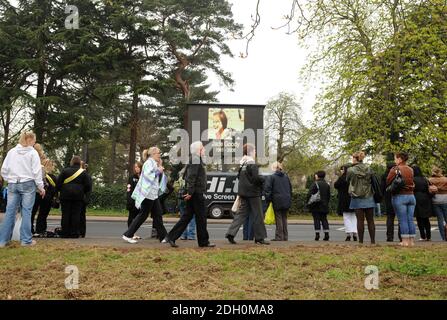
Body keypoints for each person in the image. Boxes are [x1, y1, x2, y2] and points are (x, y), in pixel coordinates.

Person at [164, 141, 215, 248]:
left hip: (194, 193)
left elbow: (190, 176)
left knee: (186, 217)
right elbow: (192, 177)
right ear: (198, 150)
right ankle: (203, 242)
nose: (204, 150)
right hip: (196, 193)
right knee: (201, 218)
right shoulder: (196, 159)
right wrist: (190, 193)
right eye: (203, 148)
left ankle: (171, 237)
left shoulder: (194, 159)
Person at [0, 131, 45, 247]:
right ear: (32, 140)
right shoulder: (32, 153)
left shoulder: (12, 152)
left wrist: (9, 179)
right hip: (28, 183)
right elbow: (36, 172)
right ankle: (26, 240)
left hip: (13, 183)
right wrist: (41, 187)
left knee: (9, 212)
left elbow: (4, 170)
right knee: (26, 212)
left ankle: (3, 241)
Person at [225, 143, 269, 245]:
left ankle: (230, 234)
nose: (255, 152)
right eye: (254, 151)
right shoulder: (252, 164)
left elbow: (239, 177)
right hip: (253, 193)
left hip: (243, 193)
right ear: (250, 152)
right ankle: (260, 238)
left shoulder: (243, 164)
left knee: (240, 214)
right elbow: (256, 178)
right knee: (258, 215)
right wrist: (263, 178)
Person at [122, 147, 167, 244]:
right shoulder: (148, 163)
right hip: (148, 194)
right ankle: (128, 234)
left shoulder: (153, 163)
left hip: (152, 194)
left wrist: (160, 167)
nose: (160, 155)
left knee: (157, 215)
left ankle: (164, 237)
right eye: (159, 153)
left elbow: (156, 178)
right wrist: (159, 170)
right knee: (143, 215)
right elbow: (148, 176)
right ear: (153, 154)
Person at [56, 156, 91, 238]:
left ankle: (65, 232)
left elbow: (58, 183)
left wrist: (62, 190)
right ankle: (74, 233)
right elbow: (88, 186)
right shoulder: (83, 173)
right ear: (80, 163)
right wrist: (82, 190)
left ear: (71, 162)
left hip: (65, 196)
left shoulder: (65, 171)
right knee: (76, 214)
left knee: (65, 214)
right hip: (78, 196)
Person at [386, 152, 416, 247]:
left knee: (402, 219)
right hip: (411, 196)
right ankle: (411, 241)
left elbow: (388, 180)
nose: (395, 160)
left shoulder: (395, 169)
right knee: (410, 219)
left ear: (400, 159)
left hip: (400, 196)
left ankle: (405, 241)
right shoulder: (411, 169)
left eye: (395, 158)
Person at [347, 151, 376, 244]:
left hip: (356, 196)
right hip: (368, 195)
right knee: (370, 220)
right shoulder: (368, 168)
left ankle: (361, 241)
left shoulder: (350, 170)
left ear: (355, 159)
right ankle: (372, 241)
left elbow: (347, 180)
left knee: (360, 220)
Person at [264, 162, 292, 241]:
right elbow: (290, 188)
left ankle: (279, 236)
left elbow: (267, 190)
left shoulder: (272, 177)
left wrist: (268, 200)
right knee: (284, 218)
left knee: (278, 218)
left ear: (274, 168)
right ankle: (285, 236)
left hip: (277, 200)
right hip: (286, 199)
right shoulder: (286, 177)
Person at [34, 159, 58, 236]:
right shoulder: (53, 177)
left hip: (38, 195)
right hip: (47, 197)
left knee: (33, 213)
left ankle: (32, 230)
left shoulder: (40, 174)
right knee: (43, 215)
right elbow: (55, 188)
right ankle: (40, 230)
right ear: (50, 166)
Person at [334, 165, 357, 241]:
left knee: (346, 217)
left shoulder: (342, 178)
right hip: (353, 199)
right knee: (354, 217)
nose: (341, 170)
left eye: (342, 169)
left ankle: (348, 234)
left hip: (344, 200)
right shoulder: (354, 178)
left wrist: (340, 176)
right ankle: (355, 233)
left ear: (344, 170)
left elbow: (335, 185)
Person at [307, 171, 331, 241]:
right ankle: (326, 234)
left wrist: (309, 203)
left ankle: (317, 235)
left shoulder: (315, 183)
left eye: (316, 175)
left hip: (316, 205)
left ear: (317, 176)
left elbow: (309, 194)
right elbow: (328, 196)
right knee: (324, 219)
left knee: (316, 219)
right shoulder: (327, 185)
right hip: (324, 205)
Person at [382, 163, 401, 242]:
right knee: (400, 218)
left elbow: (382, 187)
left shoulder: (384, 176)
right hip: (398, 196)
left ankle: (390, 237)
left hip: (388, 197)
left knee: (390, 217)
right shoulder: (397, 175)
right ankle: (401, 236)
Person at [175, 167, 196, 240]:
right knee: (192, 218)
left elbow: (176, 189)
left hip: (181, 201)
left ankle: (183, 235)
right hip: (189, 200)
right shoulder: (190, 179)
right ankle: (191, 235)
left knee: (183, 218)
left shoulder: (179, 180)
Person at [412, 165, 432, 241]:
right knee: (426, 219)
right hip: (426, 198)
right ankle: (429, 236)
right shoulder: (425, 179)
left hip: (416, 198)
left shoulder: (413, 179)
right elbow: (429, 189)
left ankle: (423, 236)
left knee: (419, 219)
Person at [429, 166, 447, 241]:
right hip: (445, 199)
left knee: (440, 219)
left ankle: (443, 237)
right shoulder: (445, 179)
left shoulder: (430, 180)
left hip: (435, 200)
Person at [126, 161, 143, 239]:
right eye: (135, 167)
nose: (136, 169)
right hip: (132, 200)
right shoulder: (132, 178)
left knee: (137, 218)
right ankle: (130, 234)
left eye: (138, 167)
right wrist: (130, 200)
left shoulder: (143, 177)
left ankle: (134, 233)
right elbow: (129, 189)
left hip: (140, 201)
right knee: (131, 217)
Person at [79, 162, 92, 238]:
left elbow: (88, 188)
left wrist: (86, 198)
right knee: (81, 215)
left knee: (81, 215)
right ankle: (81, 232)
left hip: (82, 198)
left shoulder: (85, 175)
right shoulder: (86, 175)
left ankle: (81, 232)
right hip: (83, 198)